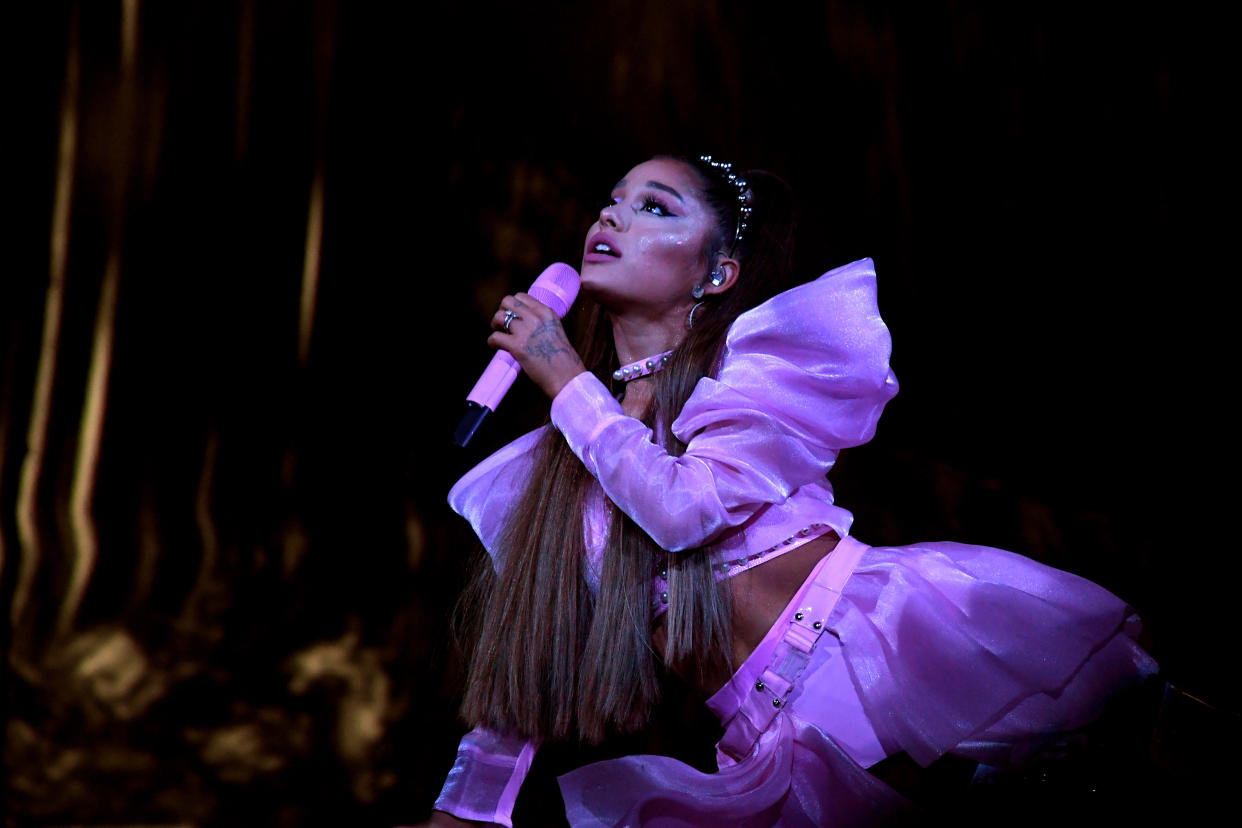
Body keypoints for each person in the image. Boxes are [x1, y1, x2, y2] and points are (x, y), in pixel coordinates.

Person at [422, 155, 1157, 827]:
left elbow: (684, 507)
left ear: (717, 273)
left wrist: (563, 376)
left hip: (886, 650)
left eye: (655, 207)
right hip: (776, 750)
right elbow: (523, 681)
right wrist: (456, 819)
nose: (610, 216)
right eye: (611, 201)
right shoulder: (559, 470)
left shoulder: (753, 373)